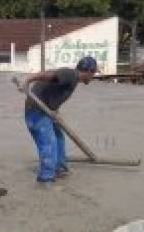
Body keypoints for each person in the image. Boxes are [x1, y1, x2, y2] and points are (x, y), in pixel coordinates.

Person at [20, 56, 99, 184]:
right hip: (36, 112)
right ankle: (46, 179)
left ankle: (59, 168)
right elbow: (47, 75)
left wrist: (56, 113)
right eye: (94, 73)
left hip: (47, 112)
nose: (93, 76)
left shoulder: (73, 80)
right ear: (89, 71)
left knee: (59, 138)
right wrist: (28, 80)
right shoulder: (70, 75)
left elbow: (52, 94)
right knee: (49, 144)